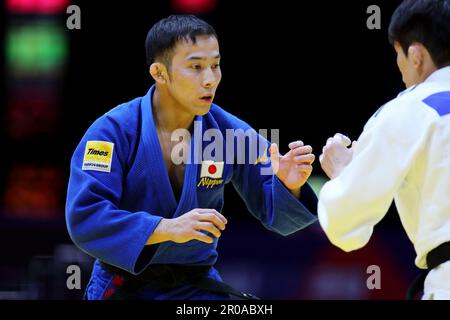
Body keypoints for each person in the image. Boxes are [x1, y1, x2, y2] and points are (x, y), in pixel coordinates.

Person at [66, 14, 317, 300]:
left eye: (215, 65)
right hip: (123, 287)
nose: (210, 79)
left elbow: (281, 218)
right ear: (159, 73)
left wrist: (290, 185)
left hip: (195, 289)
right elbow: (86, 217)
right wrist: (167, 228)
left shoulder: (229, 133)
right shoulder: (111, 132)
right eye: (196, 67)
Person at [318, 0, 450, 300]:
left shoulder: (409, 108)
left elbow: (347, 225)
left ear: (415, 55)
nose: (399, 68)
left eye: (398, 55)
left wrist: (342, 173)